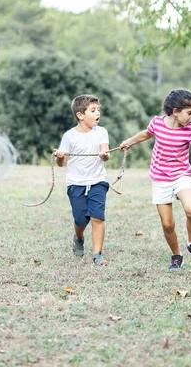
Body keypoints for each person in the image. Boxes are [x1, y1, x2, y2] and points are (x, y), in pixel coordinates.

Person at [119, 89, 191, 271]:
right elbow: (145, 134)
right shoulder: (157, 123)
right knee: (168, 224)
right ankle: (177, 255)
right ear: (176, 111)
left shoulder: (190, 130)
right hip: (160, 179)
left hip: (181, 175)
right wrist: (129, 141)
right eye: (189, 113)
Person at [54, 94, 110, 266]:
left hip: (97, 182)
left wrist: (104, 155)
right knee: (81, 219)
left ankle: (97, 255)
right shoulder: (69, 136)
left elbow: (105, 154)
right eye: (93, 110)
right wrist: (59, 156)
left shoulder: (101, 132)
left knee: (97, 217)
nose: (97, 113)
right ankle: (78, 237)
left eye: (98, 110)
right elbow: (61, 163)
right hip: (75, 184)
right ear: (80, 115)